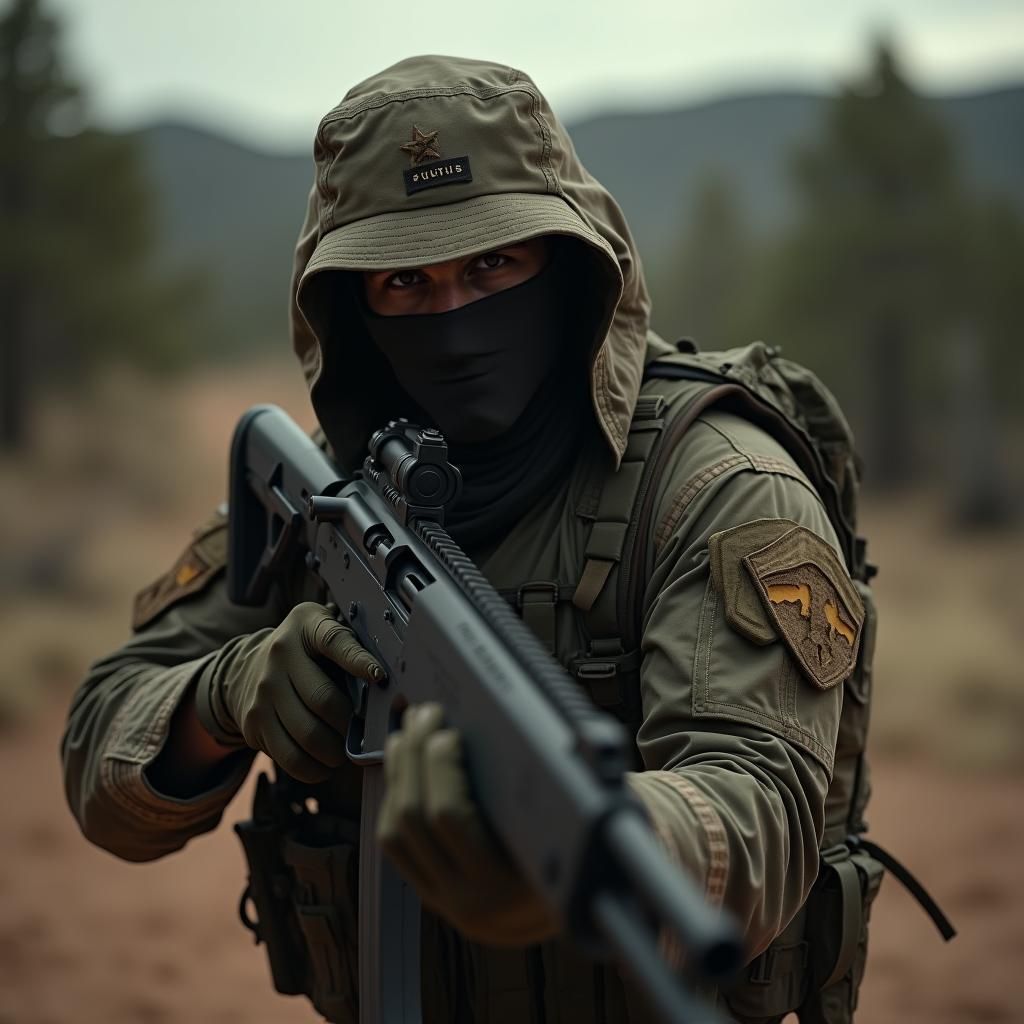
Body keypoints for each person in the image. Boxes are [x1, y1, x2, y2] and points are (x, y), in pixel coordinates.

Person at [62, 55, 877, 1023]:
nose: (452, 316)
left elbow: (759, 812)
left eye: (492, 265)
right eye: (405, 281)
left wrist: (580, 853)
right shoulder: (331, 489)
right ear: (350, 305)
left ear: (567, 264)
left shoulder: (716, 484)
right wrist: (222, 696)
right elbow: (102, 750)